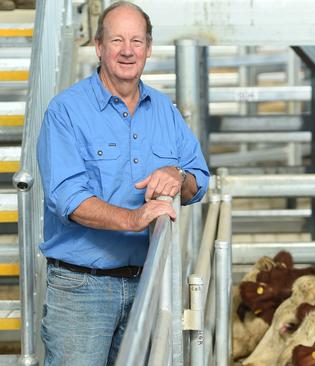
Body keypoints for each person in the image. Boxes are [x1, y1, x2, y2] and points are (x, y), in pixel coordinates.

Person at [36, 2, 209, 365]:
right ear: (99, 47)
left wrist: (178, 176)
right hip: (82, 290)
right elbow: (67, 197)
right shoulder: (65, 111)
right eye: (117, 40)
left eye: (136, 40)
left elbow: (200, 181)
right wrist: (134, 219)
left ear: (148, 48)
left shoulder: (164, 110)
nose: (127, 50)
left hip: (149, 284)